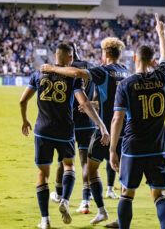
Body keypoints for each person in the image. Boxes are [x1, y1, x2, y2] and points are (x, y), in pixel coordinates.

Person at [40, 37, 130, 225]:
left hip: (106, 129)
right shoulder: (125, 72)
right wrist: (96, 103)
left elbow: (78, 73)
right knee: (122, 172)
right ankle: (120, 218)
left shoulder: (104, 71)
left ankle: (102, 210)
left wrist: (53, 68)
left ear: (105, 53)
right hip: (124, 129)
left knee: (90, 169)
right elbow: (117, 98)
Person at [20, 43, 109, 229]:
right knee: (69, 166)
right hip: (65, 130)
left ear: (55, 55)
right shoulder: (72, 78)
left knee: (42, 174)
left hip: (42, 130)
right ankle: (65, 201)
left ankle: (45, 220)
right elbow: (84, 103)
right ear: (71, 58)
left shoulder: (39, 74)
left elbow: (22, 100)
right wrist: (101, 125)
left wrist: (25, 120)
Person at [109, 13, 165, 229]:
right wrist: (161, 34)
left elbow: (117, 118)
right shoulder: (162, 77)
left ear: (134, 59)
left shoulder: (126, 85)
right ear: (153, 61)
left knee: (127, 194)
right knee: (160, 195)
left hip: (133, 147)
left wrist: (112, 150)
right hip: (158, 146)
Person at [49, 42, 97, 214]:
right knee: (85, 160)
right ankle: (86, 199)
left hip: (68, 120)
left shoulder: (66, 69)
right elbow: (97, 92)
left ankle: (60, 194)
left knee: (65, 160)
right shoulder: (91, 66)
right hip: (88, 120)